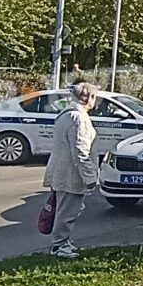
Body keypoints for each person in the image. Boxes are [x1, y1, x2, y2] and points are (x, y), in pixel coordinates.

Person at [43, 82, 99, 259]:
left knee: (66, 210)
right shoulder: (79, 119)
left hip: (62, 171)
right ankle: (59, 245)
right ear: (88, 97)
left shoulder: (66, 115)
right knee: (67, 213)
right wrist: (90, 178)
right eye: (94, 97)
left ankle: (62, 242)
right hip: (70, 175)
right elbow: (81, 151)